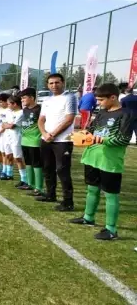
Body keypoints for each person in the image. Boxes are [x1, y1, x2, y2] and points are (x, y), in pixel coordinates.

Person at [69, 83, 133, 240]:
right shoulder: (102, 113)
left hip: (110, 161)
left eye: (101, 100)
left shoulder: (126, 114)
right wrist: (83, 133)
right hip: (92, 157)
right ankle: (88, 217)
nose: (98, 103)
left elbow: (123, 139)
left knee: (111, 195)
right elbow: (91, 130)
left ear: (113, 97)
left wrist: (100, 139)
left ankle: (111, 230)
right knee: (92, 189)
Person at [37, 73, 77, 211]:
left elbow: (69, 119)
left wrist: (53, 134)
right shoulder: (47, 100)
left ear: (63, 83)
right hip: (46, 139)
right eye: (51, 83)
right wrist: (44, 134)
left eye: (57, 82)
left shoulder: (70, 97)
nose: (54, 85)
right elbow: (41, 120)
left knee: (62, 170)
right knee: (47, 168)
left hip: (62, 141)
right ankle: (50, 194)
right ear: (48, 85)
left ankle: (68, 202)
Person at [20, 88, 44, 195]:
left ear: (32, 97)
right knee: (28, 162)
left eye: (24, 98)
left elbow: (44, 124)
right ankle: (30, 184)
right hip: (24, 140)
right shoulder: (25, 110)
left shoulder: (40, 110)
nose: (22, 100)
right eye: (22, 98)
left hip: (35, 141)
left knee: (37, 164)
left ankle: (39, 187)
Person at [1, 95, 25, 182]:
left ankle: (24, 178)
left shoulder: (21, 113)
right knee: (8, 155)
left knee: (18, 158)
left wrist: (8, 125)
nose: (8, 106)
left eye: (9, 104)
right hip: (7, 137)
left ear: (14, 104)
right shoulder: (10, 112)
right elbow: (4, 124)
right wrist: (7, 125)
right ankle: (9, 173)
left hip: (16, 137)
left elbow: (11, 125)